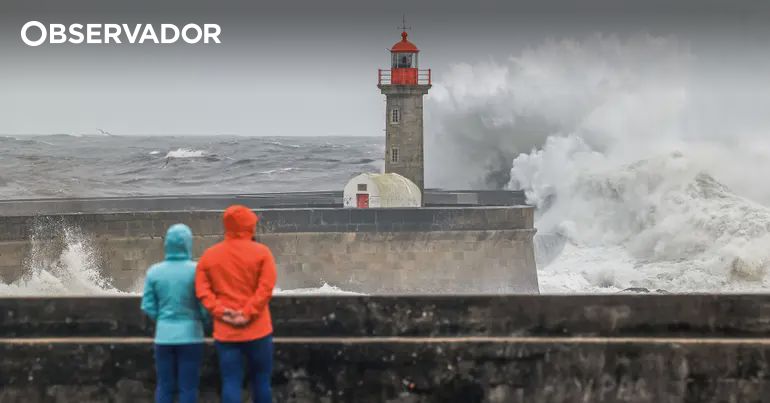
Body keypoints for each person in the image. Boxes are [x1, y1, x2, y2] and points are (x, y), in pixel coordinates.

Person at [195, 205, 277, 403]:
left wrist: (222, 312)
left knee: (231, 381)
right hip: (258, 330)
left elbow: (202, 291)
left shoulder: (210, 255)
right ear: (251, 226)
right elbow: (266, 288)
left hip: (226, 331)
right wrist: (248, 313)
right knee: (261, 381)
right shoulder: (262, 253)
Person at [141, 223, 209, 403]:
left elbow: (148, 305)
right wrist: (203, 321)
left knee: (164, 385)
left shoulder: (154, 272)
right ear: (188, 244)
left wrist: (163, 319)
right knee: (188, 387)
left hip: (164, 336)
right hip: (191, 336)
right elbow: (205, 304)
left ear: (167, 245)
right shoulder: (197, 271)